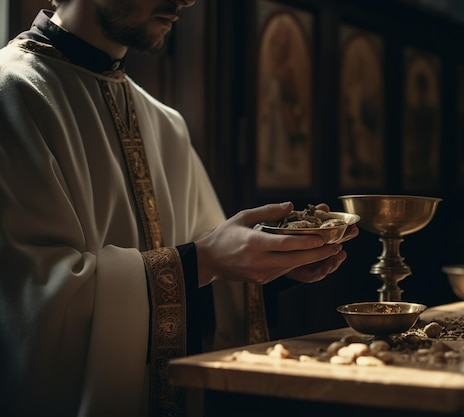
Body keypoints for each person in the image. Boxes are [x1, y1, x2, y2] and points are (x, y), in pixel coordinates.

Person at [0, 1, 358, 416]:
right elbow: (30, 306)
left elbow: (206, 268)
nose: (187, 0)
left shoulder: (165, 121)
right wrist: (203, 261)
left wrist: (268, 267)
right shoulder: (13, 95)